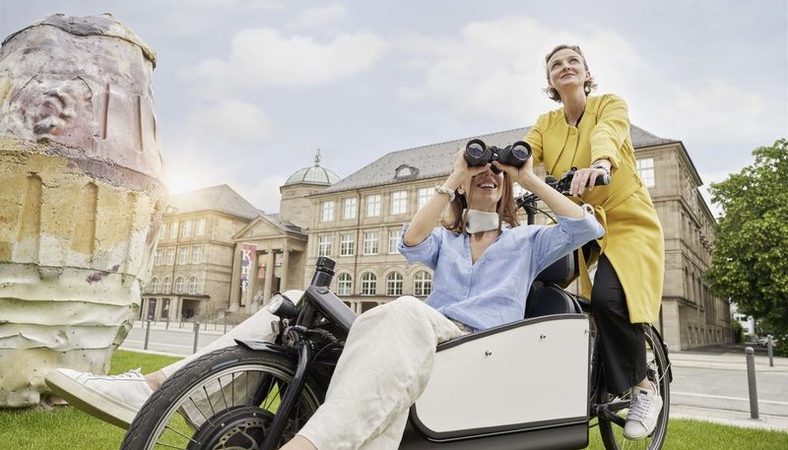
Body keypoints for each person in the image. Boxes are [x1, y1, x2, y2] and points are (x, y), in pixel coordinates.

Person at [48, 147, 602, 448]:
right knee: (291, 299)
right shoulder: (448, 238)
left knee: (405, 308)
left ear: (504, 191)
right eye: (478, 176)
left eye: (492, 179)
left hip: (477, 343)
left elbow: (585, 229)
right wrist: (454, 175)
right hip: (421, 333)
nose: (487, 180)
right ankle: (155, 391)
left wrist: (525, 177)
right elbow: (409, 242)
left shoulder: (527, 239)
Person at [523, 44, 666, 441]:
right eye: (555, 64)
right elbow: (522, 156)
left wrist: (601, 164)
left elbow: (609, 134)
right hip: (581, 223)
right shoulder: (545, 122)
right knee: (528, 283)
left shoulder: (609, 104)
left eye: (573, 62)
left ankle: (643, 387)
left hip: (626, 218)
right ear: (549, 80)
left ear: (586, 74)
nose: (565, 67)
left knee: (608, 298)